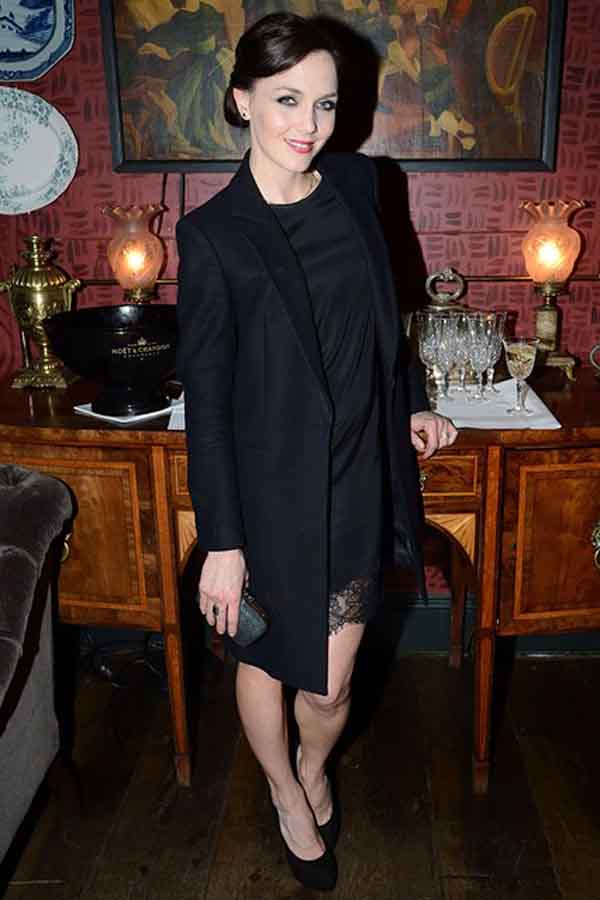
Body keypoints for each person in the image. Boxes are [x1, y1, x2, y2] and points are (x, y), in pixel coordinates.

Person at [176, 11, 457, 891]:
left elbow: (386, 322)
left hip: (358, 473)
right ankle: (285, 792)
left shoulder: (359, 184)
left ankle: (311, 764)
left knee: (330, 685)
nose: (309, 124)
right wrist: (223, 543)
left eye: (326, 104)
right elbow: (207, 403)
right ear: (241, 101)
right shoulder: (214, 233)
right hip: (266, 493)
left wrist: (412, 403)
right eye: (287, 99)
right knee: (266, 654)